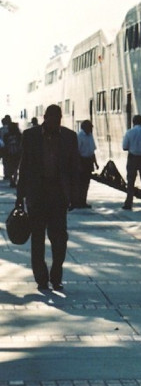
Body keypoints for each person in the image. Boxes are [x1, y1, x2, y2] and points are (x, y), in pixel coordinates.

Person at [15, 104, 78, 292]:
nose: (56, 122)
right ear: (45, 117)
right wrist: (20, 196)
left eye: (59, 118)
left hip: (59, 195)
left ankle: (56, 275)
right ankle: (41, 278)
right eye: (53, 118)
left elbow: (74, 168)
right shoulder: (30, 136)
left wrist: (75, 195)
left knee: (60, 238)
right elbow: (23, 167)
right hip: (37, 194)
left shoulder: (69, 137)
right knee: (37, 239)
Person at [74, 120, 98, 209]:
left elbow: (92, 150)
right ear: (85, 127)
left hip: (89, 161)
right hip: (82, 160)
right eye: (90, 127)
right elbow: (77, 151)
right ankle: (78, 201)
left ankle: (83, 201)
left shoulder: (90, 136)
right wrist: (79, 164)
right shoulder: (80, 136)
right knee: (80, 183)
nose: (91, 129)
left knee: (86, 183)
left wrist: (95, 163)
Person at [0, 115, 18, 186]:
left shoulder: (2, 131)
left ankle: (8, 176)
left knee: (7, 163)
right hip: (16, 151)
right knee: (15, 166)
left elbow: (2, 140)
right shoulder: (17, 133)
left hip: (6, 149)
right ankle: (14, 179)